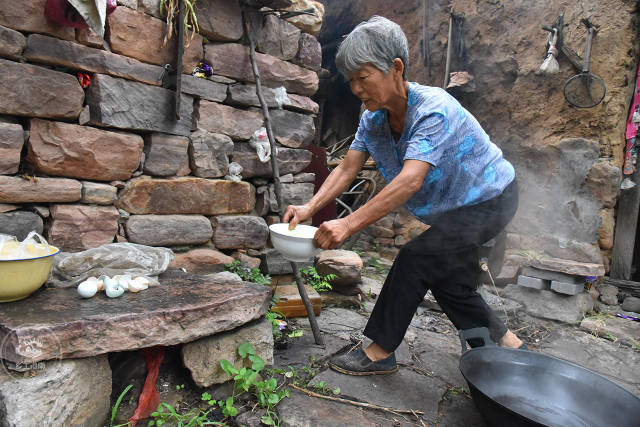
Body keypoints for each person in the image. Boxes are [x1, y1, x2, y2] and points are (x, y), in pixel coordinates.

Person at [283, 16, 525, 376]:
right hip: (452, 210)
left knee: (416, 258)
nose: (356, 89)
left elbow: (410, 181)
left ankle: (381, 352)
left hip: (490, 199)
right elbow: (347, 168)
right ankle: (507, 344)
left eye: (363, 78)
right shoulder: (373, 119)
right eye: (351, 81)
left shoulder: (434, 108)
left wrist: (347, 223)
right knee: (446, 276)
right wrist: (310, 207)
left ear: (395, 68)